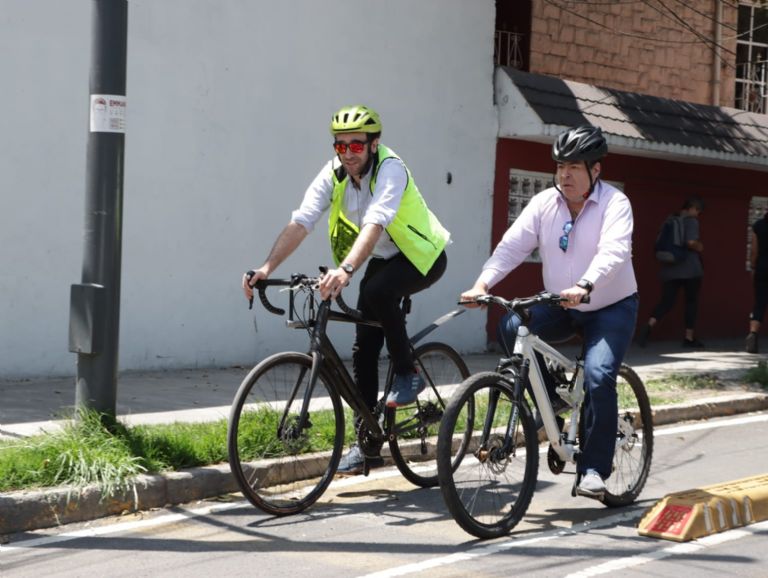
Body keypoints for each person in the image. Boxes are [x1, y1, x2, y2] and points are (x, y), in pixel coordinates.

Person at [242, 105, 450, 475]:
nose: (349, 153)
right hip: (384, 258)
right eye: (341, 146)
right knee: (363, 348)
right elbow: (302, 220)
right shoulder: (334, 173)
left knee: (379, 293)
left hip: (423, 255)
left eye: (357, 145)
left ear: (374, 143)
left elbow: (375, 223)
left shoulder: (391, 169)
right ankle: (368, 444)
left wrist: (346, 269)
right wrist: (266, 267)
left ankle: (408, 373)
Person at [460, 125, 638, 499]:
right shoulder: (544, 204)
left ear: (596, 170)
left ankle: (592, 470)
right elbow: (512, 247)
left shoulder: (615, 204)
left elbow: (614, 252)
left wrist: (586, 284)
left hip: (610, 305)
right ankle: (552, 400)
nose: (564, 175)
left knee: (599, 374)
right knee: (511, 326)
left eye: (574, 167)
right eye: (560, 166)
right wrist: (482, 284)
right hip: (562, 302)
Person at [636, 197, 705, 348]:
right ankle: (689, 338)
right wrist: (700, 247)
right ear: (692, 207)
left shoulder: (670, 219)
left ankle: (649, 325)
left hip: (669, 269)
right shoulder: (691, 221)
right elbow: (691, 242)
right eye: (698, 211)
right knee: (691, 303)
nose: (698, 214)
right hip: (690, 270)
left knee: (666, 302)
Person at [746, 211, 768, 353]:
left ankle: (753, 334)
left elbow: (754, 251)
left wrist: (753, 267)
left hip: (763, 268)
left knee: (760, 303)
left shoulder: (759, 225)